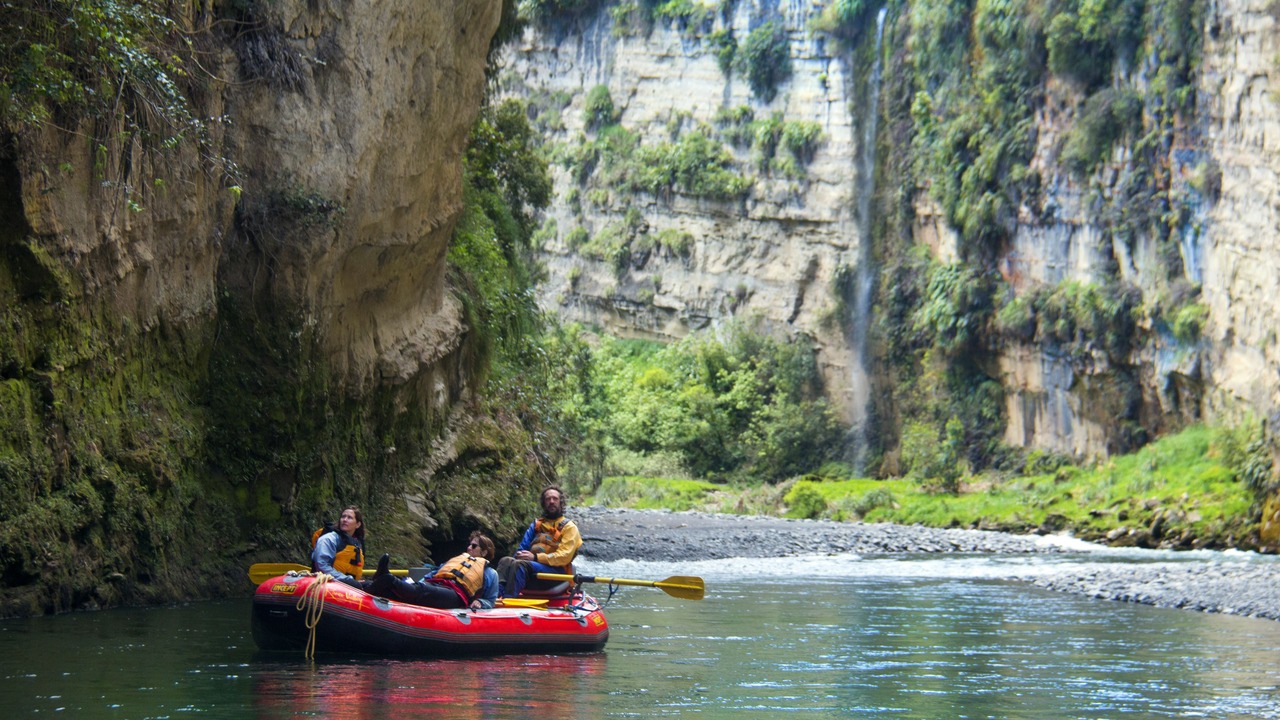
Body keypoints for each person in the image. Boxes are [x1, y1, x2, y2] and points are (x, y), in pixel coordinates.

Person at [367, 531, 500, 610]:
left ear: (484, 552)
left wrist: (481, 602)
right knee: (418, 587)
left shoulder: (490, 573)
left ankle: (388, 578)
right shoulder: (457, 560)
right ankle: (364, 584)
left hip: (456, 596)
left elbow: (490, 600)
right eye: (469, 544)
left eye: (474, 546)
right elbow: (432, 574)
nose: (469, 547)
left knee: (423, 591)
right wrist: (412, 585)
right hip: (437, 583)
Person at [496, 485, 582, 598]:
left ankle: (509, 599)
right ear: (543, 503)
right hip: (532, 572)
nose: (551, 501)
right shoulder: (537, 525)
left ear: (561, 502)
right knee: (506, 561)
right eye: (548, 499)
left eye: (555, 498)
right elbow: (522, 548)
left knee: (520, 564)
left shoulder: (570, 527)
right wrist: (517, 557)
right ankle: (496, 597)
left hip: (556, 574)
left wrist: (536, 558)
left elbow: (564, 557)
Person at [311, 505, 365, 588]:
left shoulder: (357, 543)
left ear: (357, 524)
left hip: (346, 584)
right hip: (327, 583)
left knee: (380, 582)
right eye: (343, 517)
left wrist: (353, 581)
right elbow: (322, 566)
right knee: (356, 585)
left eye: (349, 518)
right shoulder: (329, 539)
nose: (345, 520)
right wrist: (347, 579)